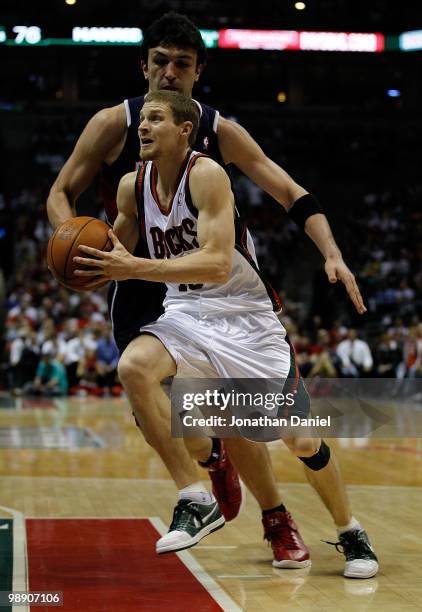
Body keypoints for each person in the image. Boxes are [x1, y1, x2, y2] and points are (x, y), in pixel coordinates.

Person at [47, 13, 373, 575]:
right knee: (149, 385)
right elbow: (62, 193)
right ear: (143, 65)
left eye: (182, 64)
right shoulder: (115, 129)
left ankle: (288, 519)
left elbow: (288, 192)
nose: (169, 73)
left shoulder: (216, 148)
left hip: (224, 297)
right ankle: (202, 481)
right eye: (160, 62)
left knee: (265, 425)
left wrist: (333, 252)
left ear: (198, 73)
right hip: (151, 289)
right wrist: (74, 250)